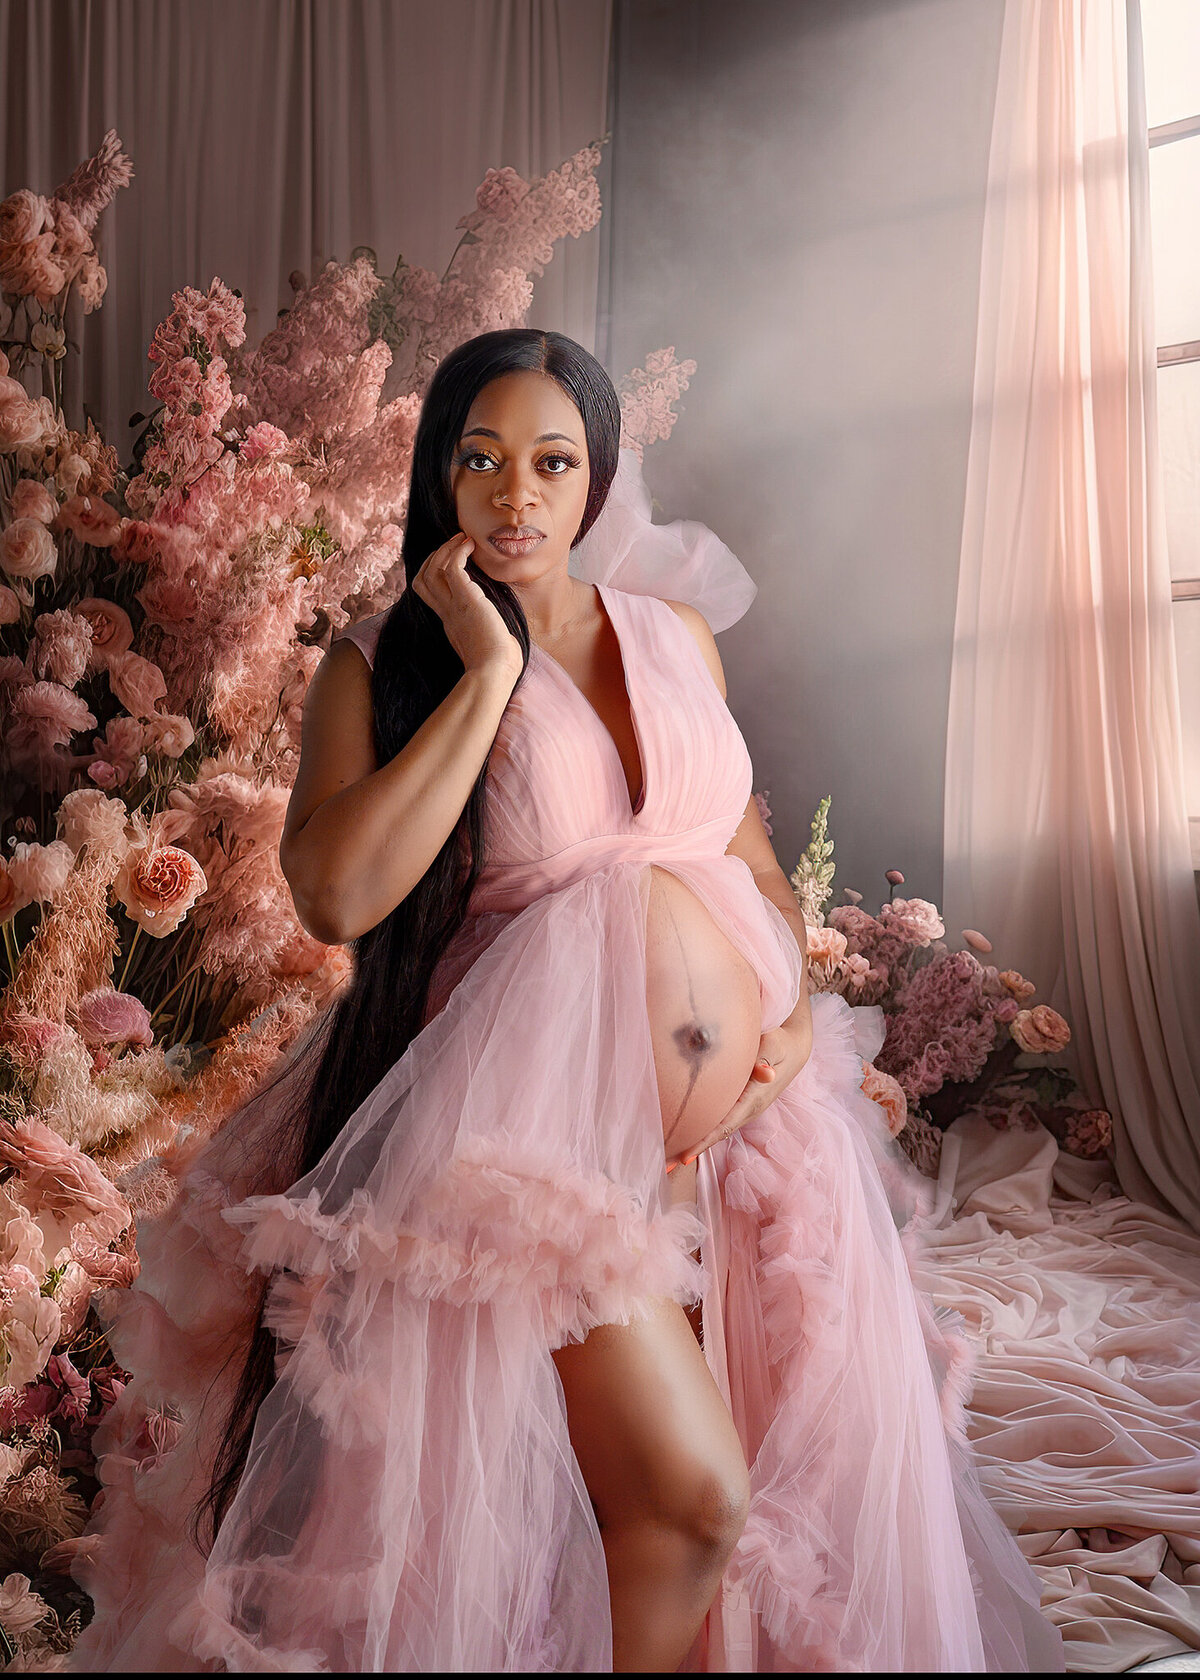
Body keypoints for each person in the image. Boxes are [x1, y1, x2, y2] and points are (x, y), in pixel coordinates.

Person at [69, 328, 1065, 1673]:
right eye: (480, 459)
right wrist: (487, 672)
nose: (516, 494)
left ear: (594, 479)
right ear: (439, 474)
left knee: (731, 1518)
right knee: (689, 1500)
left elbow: (748, 858)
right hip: (535, 1159)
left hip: (746, 1152)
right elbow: (339, 895)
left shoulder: (674, 640)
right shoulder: (393, 662)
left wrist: (777, 1037)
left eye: (553, 461)